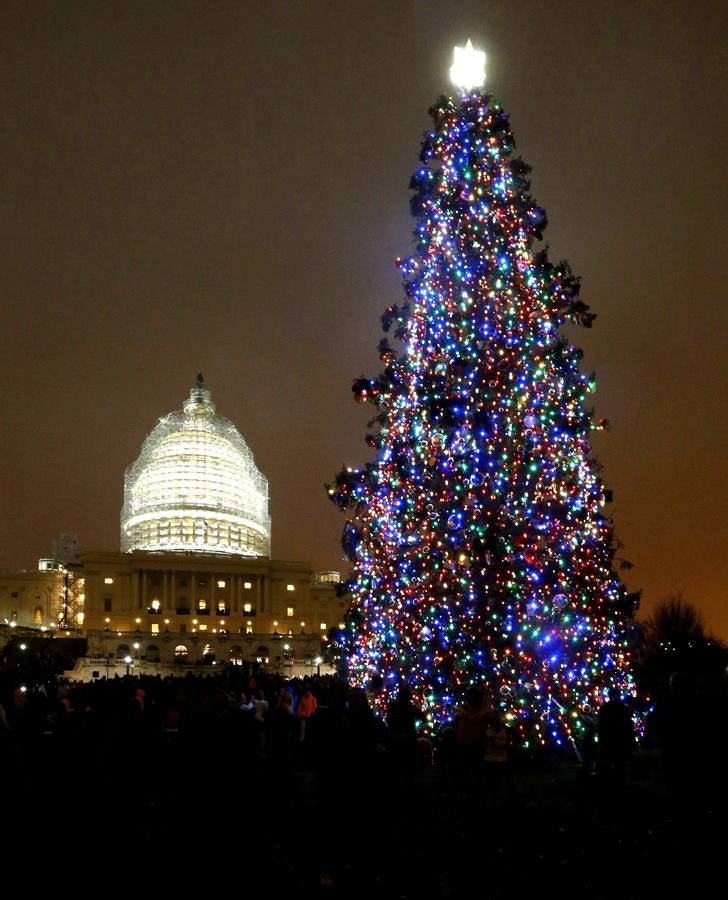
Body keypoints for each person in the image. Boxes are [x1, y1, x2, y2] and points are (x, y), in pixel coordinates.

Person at [597, 686, 633, 786]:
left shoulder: (606, 708)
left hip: (612, 739)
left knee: (614, 763)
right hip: (616, 739)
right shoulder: (623, 708)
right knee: (618, 764)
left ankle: (612, 783)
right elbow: (628, 725)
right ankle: (617, 783)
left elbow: (601, 725)